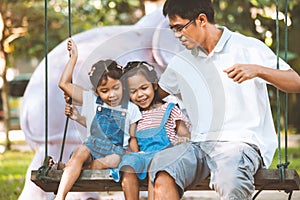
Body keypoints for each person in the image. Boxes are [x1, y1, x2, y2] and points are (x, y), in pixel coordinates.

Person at [148, 0, 300, 200]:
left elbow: (295, 82)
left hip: (240, 143)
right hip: (198, 144)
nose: (177, 36)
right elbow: (152, 97)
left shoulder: (248, 47)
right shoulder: (182, 62)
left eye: (180, 27)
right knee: (164, 171)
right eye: (173, 29)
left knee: (230, 180)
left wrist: (258, 70)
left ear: (201, 19)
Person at [54, 38, 142, 200]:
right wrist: (74, 57)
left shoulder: (131, 108)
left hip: (115, 152)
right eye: (104, 90)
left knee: (111, 160)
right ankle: (60, 197)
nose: (112, 94)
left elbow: (132, 137)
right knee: (80, 151)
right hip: (92, 146)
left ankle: (72, 168)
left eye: (116, 87)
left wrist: (138, 157)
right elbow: (64, 84)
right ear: (97, 92)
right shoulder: (93, 101)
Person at [110, 61, 191, 200]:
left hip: (164, 155)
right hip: (142, 155)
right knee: (128, 164)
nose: (140, 95)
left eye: (144, 88)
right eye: (133, 91)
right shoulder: (132, 114)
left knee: (156, 167)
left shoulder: (169, 109)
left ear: (154, 85)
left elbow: (185, 134)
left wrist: (183, 138)